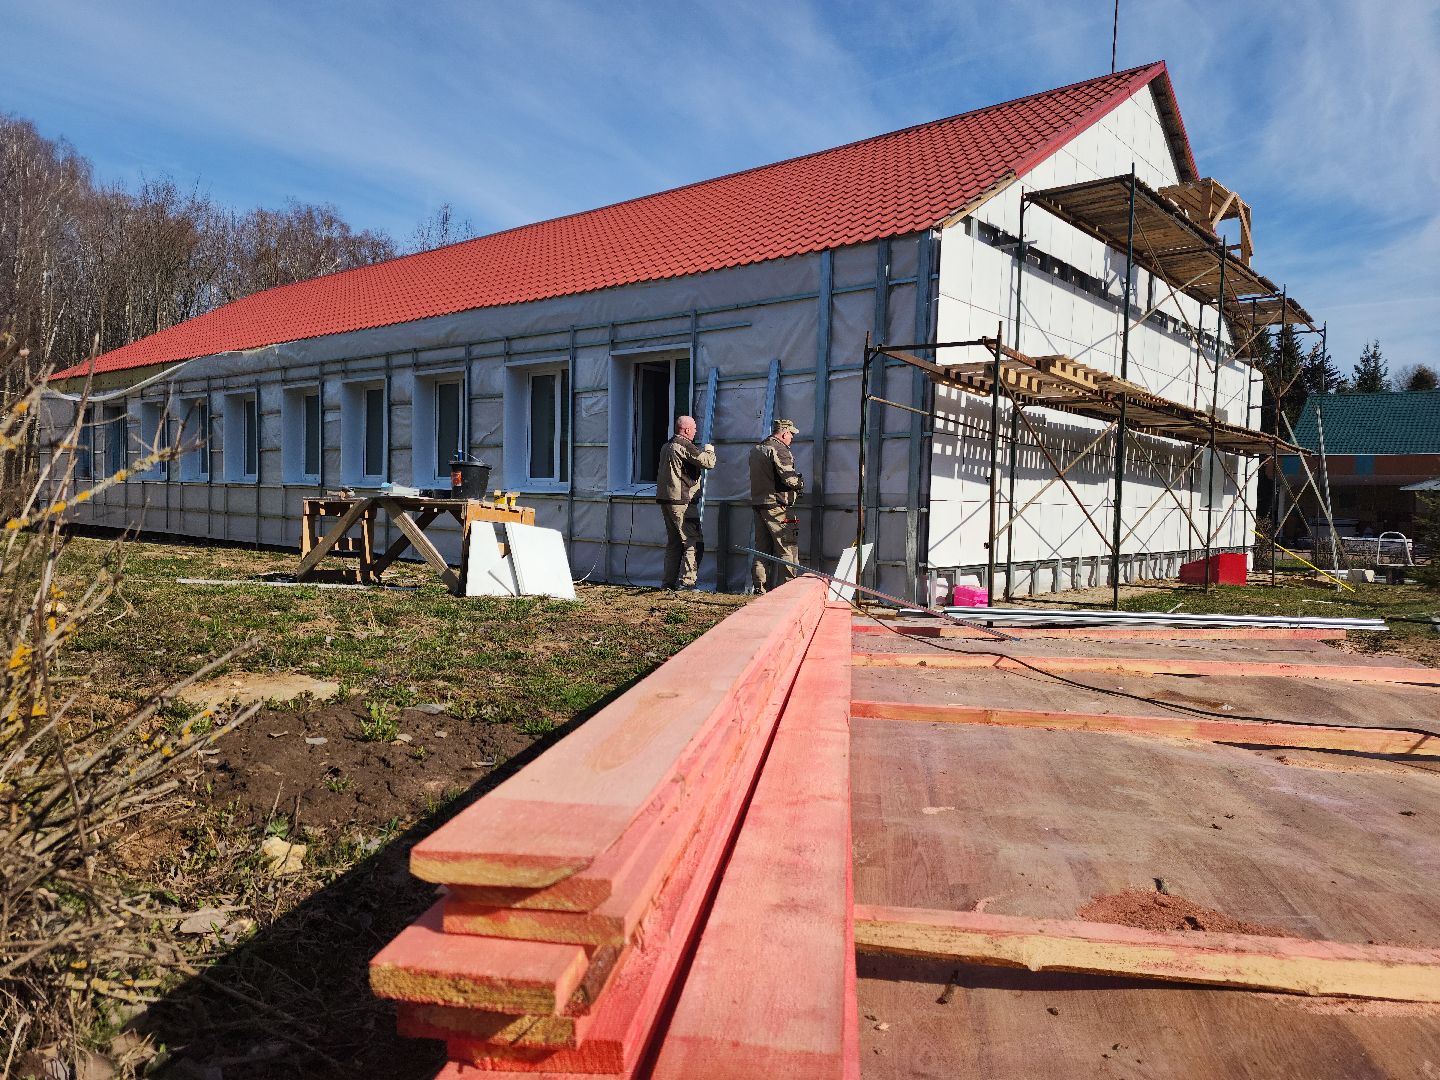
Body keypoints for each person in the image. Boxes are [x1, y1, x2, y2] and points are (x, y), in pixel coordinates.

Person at [655, 415, 715, 590]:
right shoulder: (684, 445)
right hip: (682, 502)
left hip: (667, 500)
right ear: (687, 430)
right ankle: (688, 583)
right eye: (694, 429)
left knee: (674, 543)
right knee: (692, 542)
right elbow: (707, 462)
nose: (696, 432)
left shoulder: (667, 445)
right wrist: (709, 450)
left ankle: (668, 583)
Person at [748, 418, 804, 593]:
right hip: (777, 505)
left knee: (761, 549)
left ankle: (759, 588)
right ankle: (788, 589)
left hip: (759, 503)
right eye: (791, 435)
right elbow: (789, 478)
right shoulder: (780, 449)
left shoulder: (757, 448)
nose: (792, 438)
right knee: (787, 547)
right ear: (784, 433)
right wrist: (800, 483)